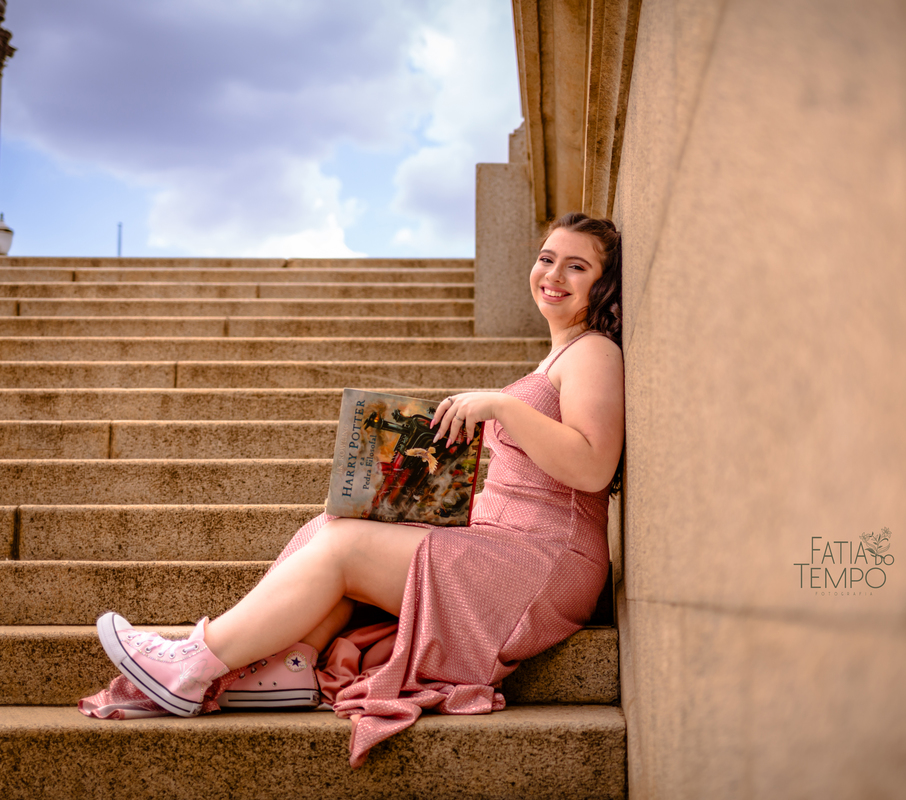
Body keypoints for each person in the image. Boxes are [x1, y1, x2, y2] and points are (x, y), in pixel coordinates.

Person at [80, 212, 625, 768]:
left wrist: (501, 405)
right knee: (337, 524)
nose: (553, 273)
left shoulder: (594, 353)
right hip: (506, 539)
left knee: (346, 548)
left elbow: (592, 467)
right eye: (546, 258)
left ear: (603, 284)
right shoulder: (558, 356)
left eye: (576, 266)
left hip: (547, 560)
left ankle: (191, 663)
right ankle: (286, 667)